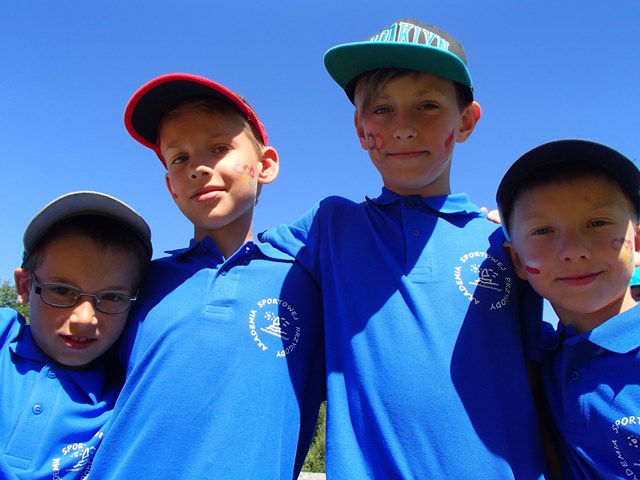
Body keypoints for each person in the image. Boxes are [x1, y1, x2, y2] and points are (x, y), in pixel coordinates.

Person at [260, 18, 549, 478]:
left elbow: (552, 367)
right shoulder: (330, 226)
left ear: (466, 121)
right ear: (360, 128)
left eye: (428, 105)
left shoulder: (505, 242)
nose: (403, 128)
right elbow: (234, 255)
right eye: (382, 109)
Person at [88, 74, 325, 479]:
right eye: (179, 158)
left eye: (219, 148)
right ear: (171, 187)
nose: (198, 167)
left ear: (265, 165)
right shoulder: (138, 284)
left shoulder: (310, 285)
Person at [497, 139, 640, 479]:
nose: (573, 250)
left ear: (637, 243)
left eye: (597, 223)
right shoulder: (540, 354)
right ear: (517, 260)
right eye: (543, 231)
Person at [0, 191, 152, 480]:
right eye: (61, 290)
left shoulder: (125, 399)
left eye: (112, 297)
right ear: (24, 286)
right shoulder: (4, 334)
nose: (84, 319)